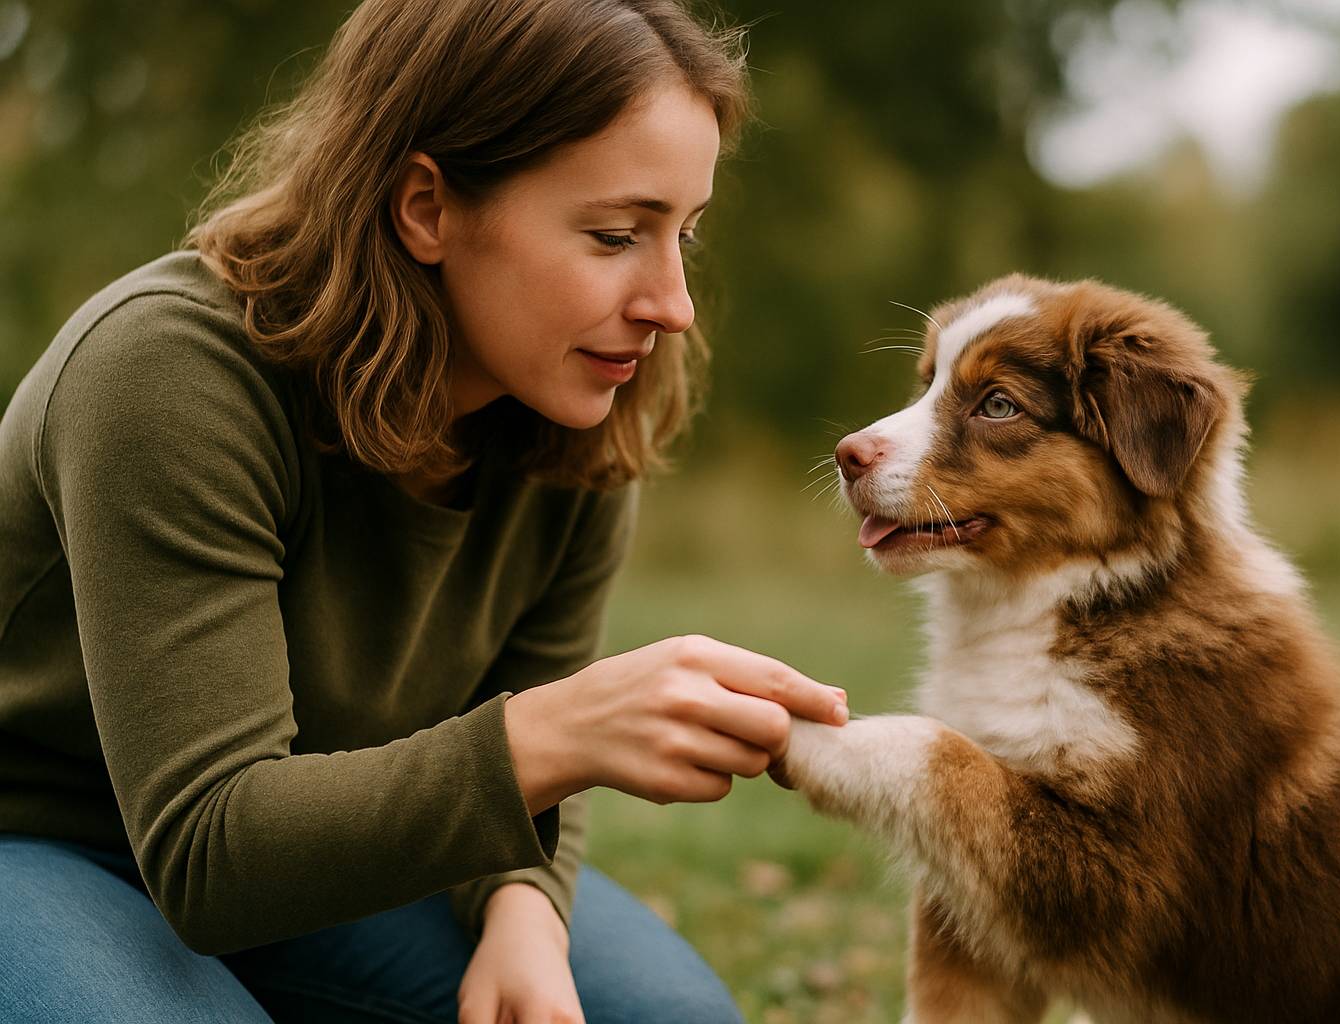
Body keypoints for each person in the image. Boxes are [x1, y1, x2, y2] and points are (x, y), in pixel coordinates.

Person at [0, 1, 849, 1021]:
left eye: (685, 233)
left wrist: (525, 908)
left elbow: (523, 733)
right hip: (52, 840)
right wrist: (557, 731)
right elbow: (212, 850)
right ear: (427, 208)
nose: (673, 303)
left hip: (341, 848)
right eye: (616, 234)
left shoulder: (574, 398)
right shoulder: (168, 375)